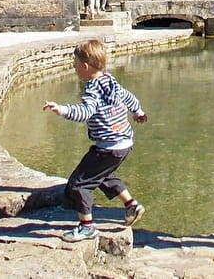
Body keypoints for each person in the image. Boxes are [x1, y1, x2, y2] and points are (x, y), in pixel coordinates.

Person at [43, 38, 147, 240]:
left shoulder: (92, 88)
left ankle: (86, 226)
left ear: (84, 66)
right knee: (101, 174)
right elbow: (129, 97)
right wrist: (138, 111)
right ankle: (131, 205)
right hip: (124, 143)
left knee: (79, 185)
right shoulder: (110, 80)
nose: (74, 69)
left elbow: (85, 112)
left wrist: (62, 109)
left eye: (75, 66)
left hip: (108, 146)